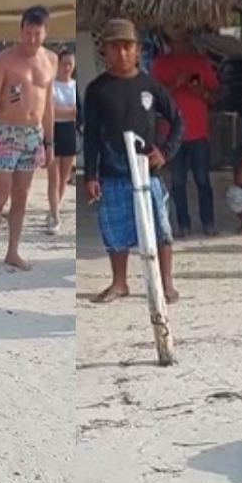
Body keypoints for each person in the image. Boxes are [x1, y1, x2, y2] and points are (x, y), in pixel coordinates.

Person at [83, 18, 182, 304]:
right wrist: (91, 175)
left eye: (127, 46)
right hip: (113, 171)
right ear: (105, 51)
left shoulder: (151, 86)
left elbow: (176, 121)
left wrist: (165, 151)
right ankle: (119, 282)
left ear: (138, 49)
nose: (122, 53)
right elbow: (90, 135)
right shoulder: (97, 90)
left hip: (148, 172)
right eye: (115, 47)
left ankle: (166, 283)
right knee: (114, 229)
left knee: (161, 228)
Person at [0, 5, 57, 271]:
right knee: (1, 195)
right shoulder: (5, 59)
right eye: (28, 33)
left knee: (22, 196)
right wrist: (4, 102)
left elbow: (49, 106)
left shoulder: (51, 60)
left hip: (34, 135)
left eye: (37, 33)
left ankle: (12, 251)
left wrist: (50, 143)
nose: (32, 39)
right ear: (20, 31)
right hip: (6, 131)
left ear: (45, 32)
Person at [152, 28, 220, 236]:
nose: (180, 44)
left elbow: (215, 96)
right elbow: (155, 98)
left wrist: (200, 92)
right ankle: (183, 224)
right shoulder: (159, 64)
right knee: (178, 182)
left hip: (199, 131)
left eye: (184, 39)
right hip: (173, 133)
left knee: (202, 180)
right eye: (176, 39)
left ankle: (208, 223)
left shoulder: (201, 63)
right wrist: (176, 84)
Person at [46, 48, 78, 235]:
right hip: (53, 129)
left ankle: (54, 207)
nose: (66, 67)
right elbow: (50, 110)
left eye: (70, 64)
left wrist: (66, 111)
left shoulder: (74, 85)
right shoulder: (52, 85)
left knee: (64, 177)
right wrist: (68, 111)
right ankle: (55, 215)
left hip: (69, 131)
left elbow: (77, 111)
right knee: (54, 175)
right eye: (64, 63)